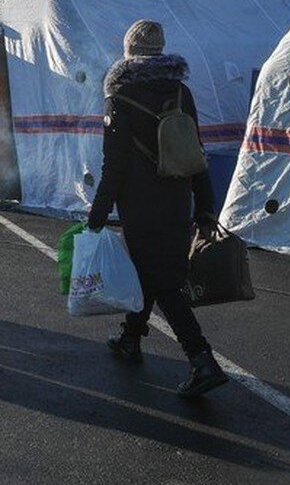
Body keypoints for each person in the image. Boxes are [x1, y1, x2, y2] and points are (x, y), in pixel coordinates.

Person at [87, 20, 228, 398]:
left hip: (141, 206)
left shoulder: (120, 97)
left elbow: (114, 166)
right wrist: (205, 207)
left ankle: (202, 359)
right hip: (177, 200)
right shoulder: (181, 92)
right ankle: (131, 338)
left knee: (163, 281)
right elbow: (195, 153)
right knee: (149, 271)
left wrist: (97, 216)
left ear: (129, 52)